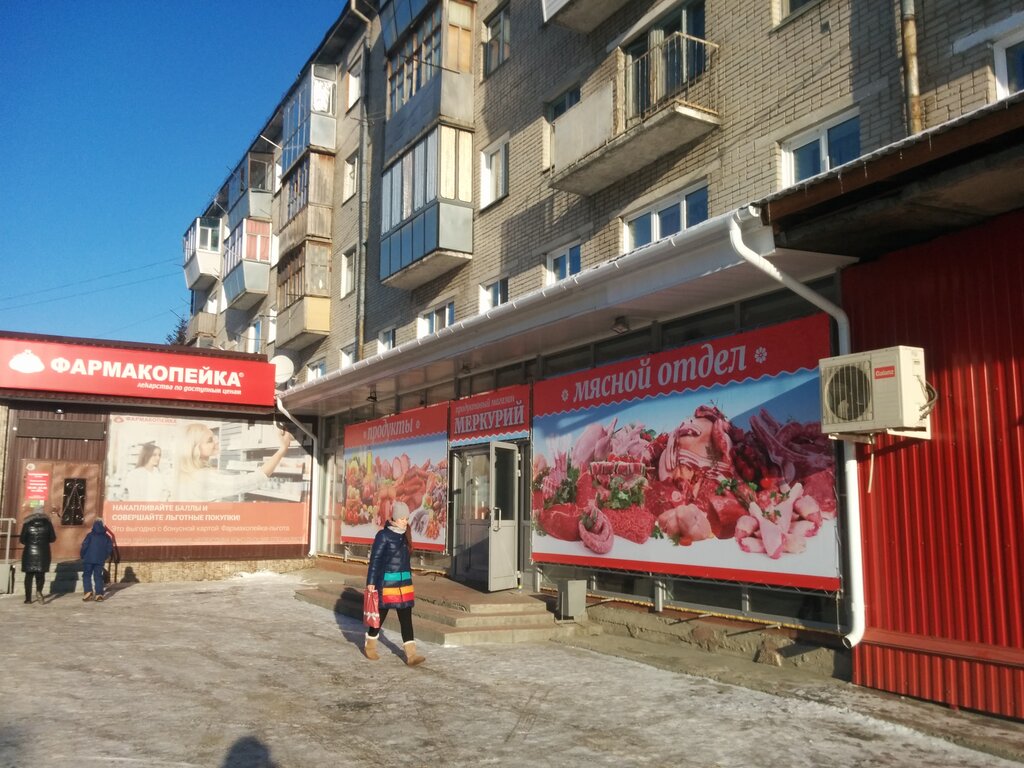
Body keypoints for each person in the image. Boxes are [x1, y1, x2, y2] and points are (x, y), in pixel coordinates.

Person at [364, 501, 425, 666]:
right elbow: (375, 560)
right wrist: (371, 582)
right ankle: (370, 645)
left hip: (404, 584)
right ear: (395, 518)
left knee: (406, 619)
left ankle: (411, 655)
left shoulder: (405, 535)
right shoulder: (383, 535)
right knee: (380, 616)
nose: (405, 522)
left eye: (407, 518)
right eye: (402, 519)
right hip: (387, 584)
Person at [174, 423, 293, 502]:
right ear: (194, 449)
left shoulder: (188, 473)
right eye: (210, 440)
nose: (216, 441)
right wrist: (282, 449)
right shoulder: (202, 476)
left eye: (214, 437)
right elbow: (250, 481)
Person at [19, 504, 56, 605]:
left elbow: (22, 539)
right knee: (41, 574)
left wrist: (29, 543)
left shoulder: (27, 523)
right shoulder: (48, 523)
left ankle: (28, 599)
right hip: (43, 553)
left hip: (29, 553)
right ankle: (39, 591)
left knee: (28, 576)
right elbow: (53, 538)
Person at [80, 518, 114, 602]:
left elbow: (84, 546)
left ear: (94, 525)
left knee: (87, 575)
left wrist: (82, 555)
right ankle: (99, 594)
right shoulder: (107, 537)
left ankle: (88, 592)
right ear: (103, 525)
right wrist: (104, 556)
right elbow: (109, 548)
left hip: (88, 559)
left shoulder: (90, 535)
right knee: (98, 576)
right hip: (100, 559)